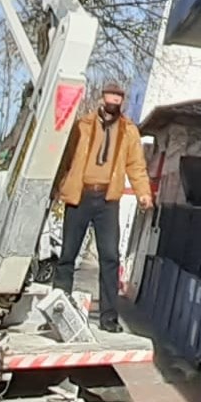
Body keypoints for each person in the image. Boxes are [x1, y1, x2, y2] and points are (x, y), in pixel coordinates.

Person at [51, 83, 152, 331]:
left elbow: (136, 165)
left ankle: (108, 317)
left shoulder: (128, 131)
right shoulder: (83, 125)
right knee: (67, 255)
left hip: (107, 199)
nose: (113, 102)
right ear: (102, 99)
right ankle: (57, 312)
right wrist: (56, 187)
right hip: (80, 194)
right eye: (110, 97)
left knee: (110, 257)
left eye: (118, 98)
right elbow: (65, 158)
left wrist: (143, 193)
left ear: (122, 102)